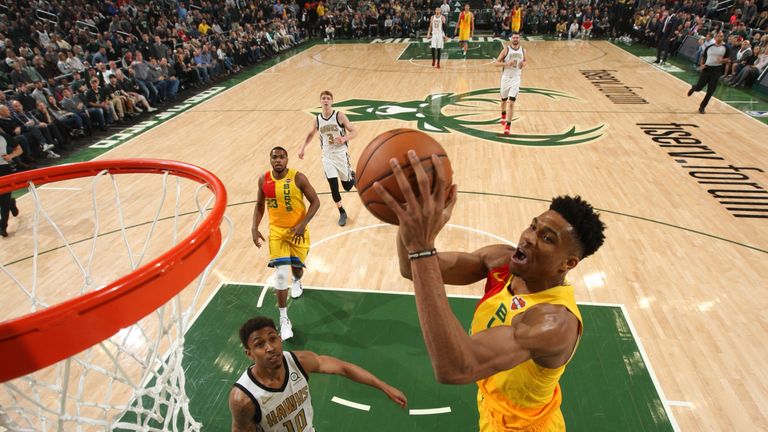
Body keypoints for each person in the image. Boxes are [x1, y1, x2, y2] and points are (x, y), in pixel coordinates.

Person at [373, 151, 606, 431]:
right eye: (533, 226)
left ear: (568, 263)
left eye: (547, 238)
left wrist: (421, 247)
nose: (529, 238)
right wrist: (408, 216)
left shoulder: (553, 322)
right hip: (492, 407)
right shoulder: (501, 262)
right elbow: (411, 268)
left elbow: (456, 367)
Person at [229, 316, 407, 432]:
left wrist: (384, 386)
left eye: (273, 338)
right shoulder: (243, 399)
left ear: (279, 339)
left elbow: (344, 368)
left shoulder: (300, 361)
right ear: (249, 353)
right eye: (259, 344)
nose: (270, 348)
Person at [252, 147, 320, 340]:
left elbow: (315, 201)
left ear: (287, 159)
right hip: (277, 232)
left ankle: (298, 280)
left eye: (282, 157)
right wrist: (254, 227)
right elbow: (259, 205)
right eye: (275, 157)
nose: (278, 160)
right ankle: (283, 319)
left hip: (297, 231)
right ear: (270, 160)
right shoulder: (263, 180)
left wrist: (303, 223)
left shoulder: (298, 178)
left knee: (297, 270)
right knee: (281, 275)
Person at [298, 90, 358, 227]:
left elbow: (354, 131)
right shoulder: (317, 119)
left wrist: (344, 138)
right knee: (333, 187)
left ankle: (352, 175)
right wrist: (302, 148)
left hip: (341, 154)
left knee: (348, 186)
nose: (325, 100)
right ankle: (342, 212)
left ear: (332, 101)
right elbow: (310, 134)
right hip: (327, 156)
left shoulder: (339, 116)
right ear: (320, 101)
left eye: (328, 98)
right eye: (323, 98)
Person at [687, 31, 730, 114]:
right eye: (718, 36)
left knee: (710, 91)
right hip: (707, 69)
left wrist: (723, 60)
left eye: (721, 36)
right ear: (715, 37)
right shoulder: (709, 47)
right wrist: (702, 64)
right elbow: (703, 56)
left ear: (723, 38)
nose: (720, 37)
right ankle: (694, 88)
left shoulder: (726, 48)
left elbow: (728, 59)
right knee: (699, 88)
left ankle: (702, 107)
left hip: (717, 70)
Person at [494, 32, 527, 135]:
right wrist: (506, 63)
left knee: (511, 102)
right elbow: (496, 63)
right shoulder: (506, 50)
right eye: (514, 37)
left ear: (519, 39)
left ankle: (508, 126)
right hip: (506, 78)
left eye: (517, 37)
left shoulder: (523, 50)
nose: (515, 39)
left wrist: (523, 64)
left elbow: (525, 61)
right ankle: (503, 115)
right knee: (503, 100)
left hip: (516, 78)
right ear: (511, 39)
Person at [0, 132, 23, 237]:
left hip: (3, 169)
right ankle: (11, 203)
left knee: (4, 199)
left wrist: (10, 156)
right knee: (4, 199)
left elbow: (19, 149)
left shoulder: (3, 135)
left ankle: (3, 226)